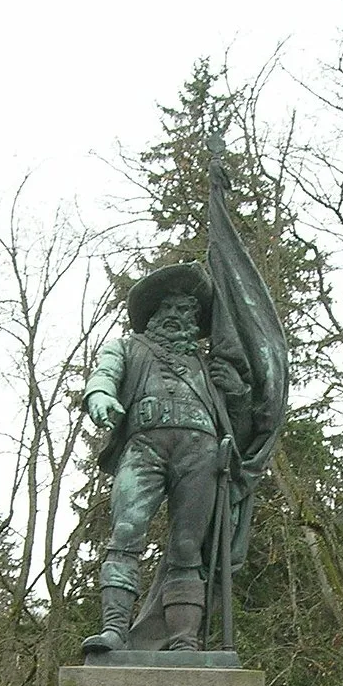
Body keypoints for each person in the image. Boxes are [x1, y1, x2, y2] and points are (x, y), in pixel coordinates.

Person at [81, 262, 251, 655]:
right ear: (155, 314)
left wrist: (237, 393)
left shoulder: (208, 368)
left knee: (189, 547)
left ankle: (183, 640)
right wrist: (100, 396)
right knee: (125, 532)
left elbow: (241, 425)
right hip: (144, 446)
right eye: (169, 309)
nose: (177, 316)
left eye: (187, 311)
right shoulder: (128, 347)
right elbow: (104, 374)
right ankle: (114, 630)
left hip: (202, 452)